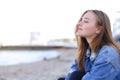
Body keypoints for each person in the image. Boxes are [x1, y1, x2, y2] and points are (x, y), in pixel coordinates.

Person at [58, 10, 120, 80]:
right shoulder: (86, 51)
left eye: (86, 21)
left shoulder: (107, 54)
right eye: (80, 20)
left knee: (75, 76)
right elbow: (71, 74)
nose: (79, 23)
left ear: (99, 29)